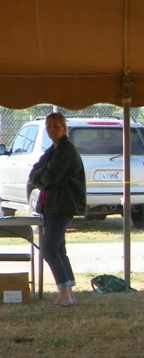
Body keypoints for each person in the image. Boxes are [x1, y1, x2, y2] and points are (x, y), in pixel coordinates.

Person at [28, 112, 86, 307]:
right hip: (51, 206)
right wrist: (39, 176)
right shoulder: (53, 151)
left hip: (62, 205)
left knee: (49, 249)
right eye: (49, 126)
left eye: (56, 126)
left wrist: (39, 178)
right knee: (58, 249)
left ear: (64, 128)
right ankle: (68, 292)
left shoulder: (66, 151)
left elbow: (50, 179)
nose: (51, 130)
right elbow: (35, 171)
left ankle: (64, 294)